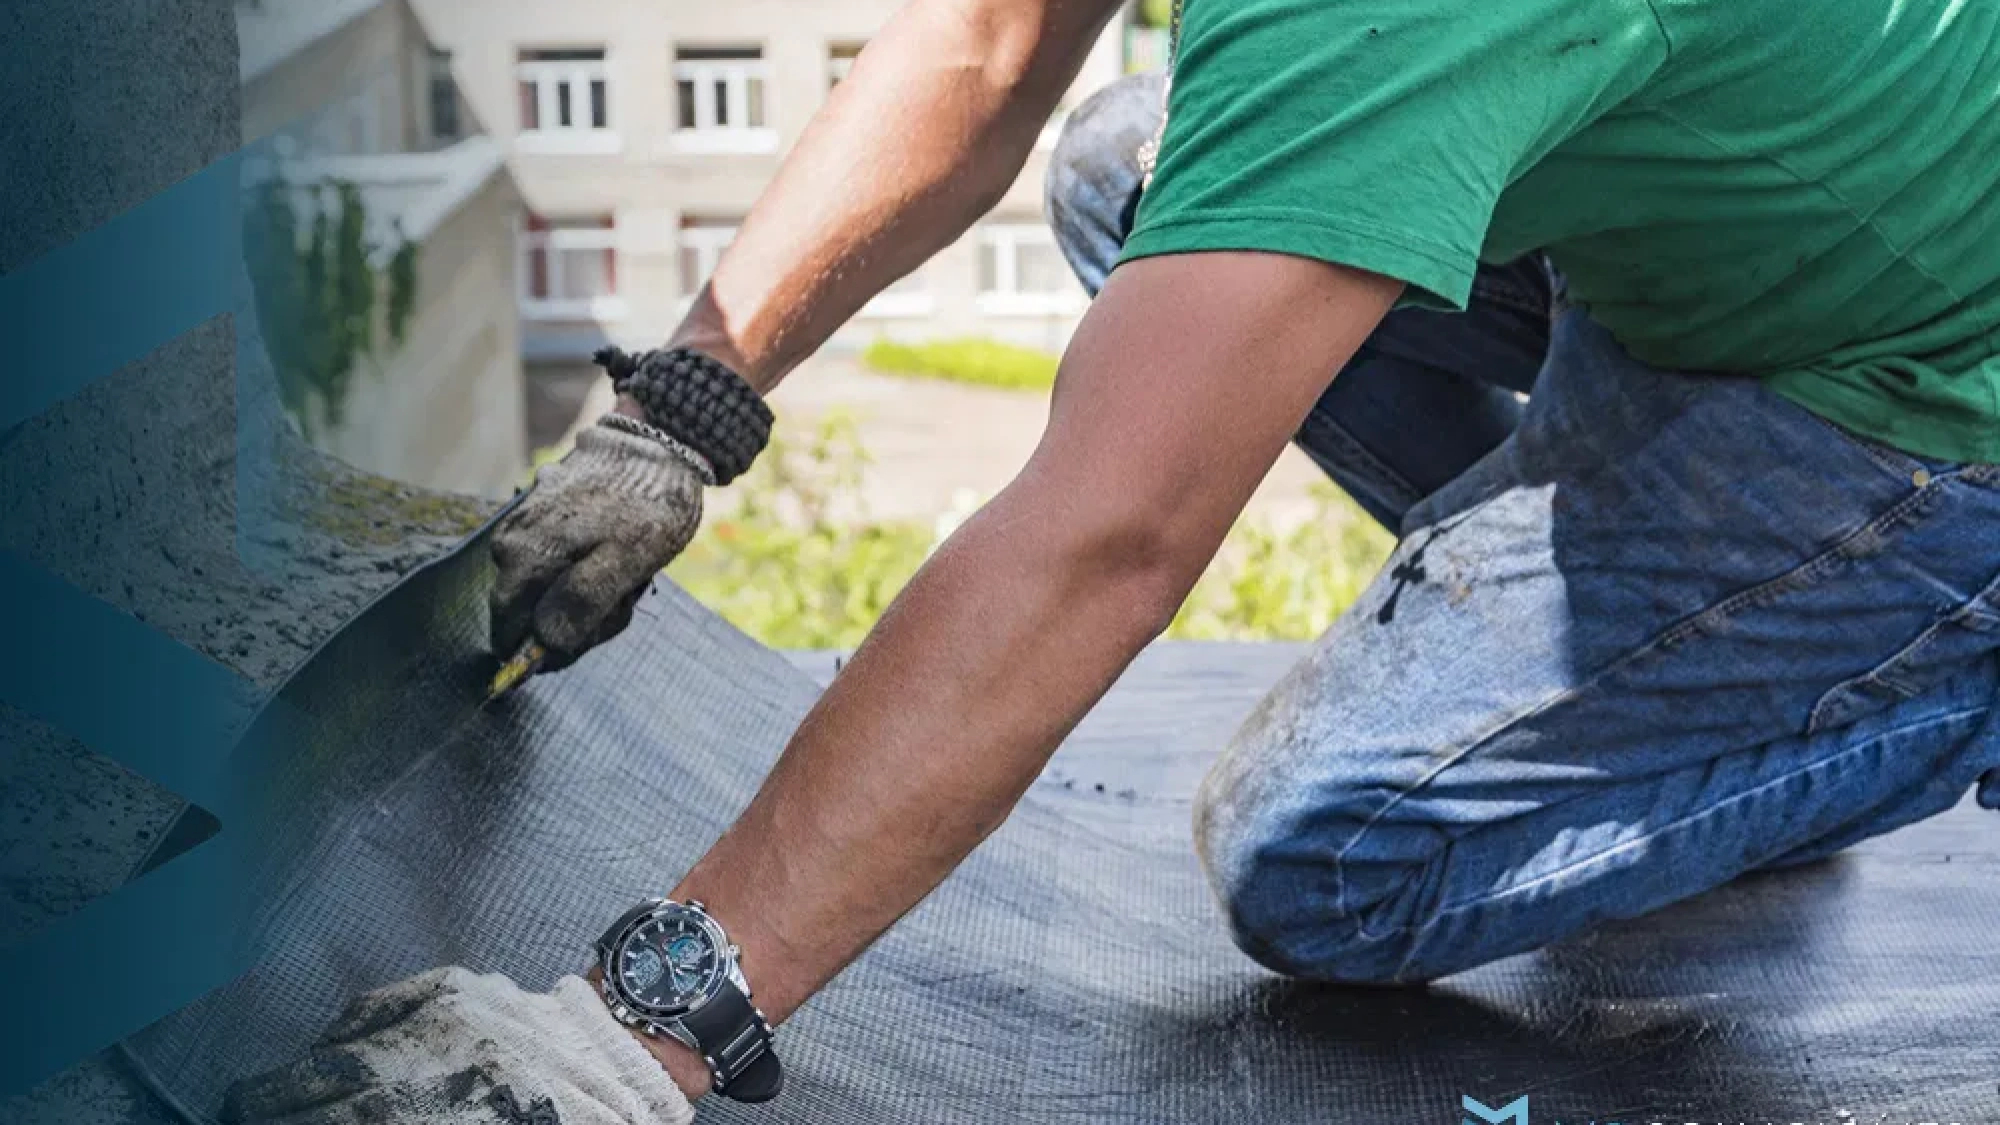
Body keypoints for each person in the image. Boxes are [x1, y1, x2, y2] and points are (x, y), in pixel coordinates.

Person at [228, 0, 2000, 1118]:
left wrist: (647, 1025)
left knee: (1327, 864)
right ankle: (1661, 637)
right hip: (1759, 215)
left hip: (1921, 399)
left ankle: (1875, 666)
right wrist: (682, 411)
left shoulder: (1387, 22)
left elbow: (1112, 538)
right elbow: (981, 50)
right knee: (1136, 170)